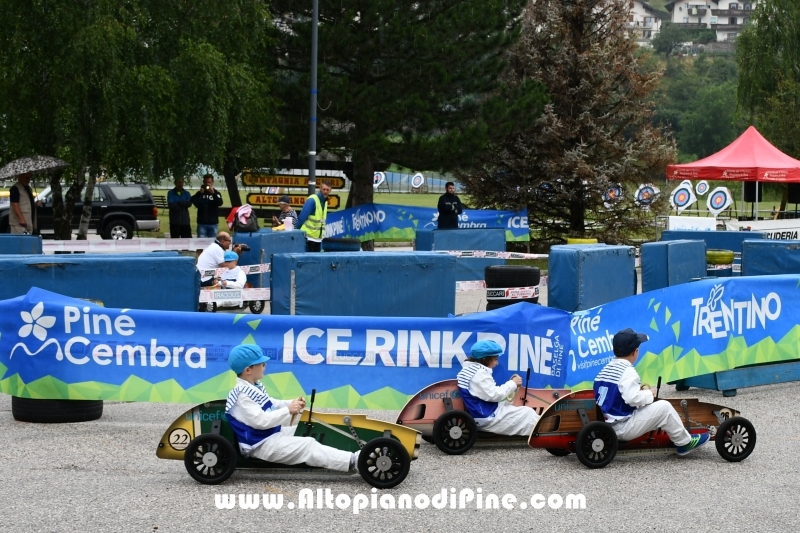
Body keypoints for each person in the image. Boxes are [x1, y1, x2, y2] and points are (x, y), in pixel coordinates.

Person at [225, 344, 358, 472]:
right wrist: (288, 410)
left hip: (269, 435)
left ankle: (345, 455)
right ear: (248, 370)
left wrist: (291, 403)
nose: (265, 366)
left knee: (306, 430)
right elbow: (260, 421)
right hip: (260, 444)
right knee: (307, 445)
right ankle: (352, 461)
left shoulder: (253, 388)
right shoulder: (243, 396)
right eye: (262, 364)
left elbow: (270, 403)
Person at [594, 328, 710, 456]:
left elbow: (617, 395)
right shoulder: (627, 371)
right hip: (622, 427)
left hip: (607, 424)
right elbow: (632, 398)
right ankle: (684, 442)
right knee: (664, 407)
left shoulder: (605, 369)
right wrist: (650, 393)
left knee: (654, 407)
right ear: (635, 352)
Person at [456, 340, 540, 436]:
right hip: (487, 417)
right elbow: (495, 395)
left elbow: (485, 395)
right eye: (495, 359)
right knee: (527, 413)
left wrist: (512, 387)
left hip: (483, 412)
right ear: (485, 359)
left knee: (524, 412)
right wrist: (513, 383)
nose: (497, 363)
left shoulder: (469, 370)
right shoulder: (479, 374)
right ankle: (546, 431)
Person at [297, 181, 331, 252]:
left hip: (318, 238)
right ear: (320, 188)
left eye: (327, 190)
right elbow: (302, 217)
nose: (325, 191)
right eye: (324, 189)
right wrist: (295, 230)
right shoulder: (312, 200)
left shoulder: (325, 202)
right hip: (308, 238)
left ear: (330, 190)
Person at [192, 174, 224, 238]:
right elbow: (193, 201)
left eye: (209, 182)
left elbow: (220, 203)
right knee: (201, 243)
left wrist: (213, 193)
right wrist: (199, 194)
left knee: (212, 243)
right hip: (202, 223)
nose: (207, 184)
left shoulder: (216, 193)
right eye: (206, 182)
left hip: (213, 223)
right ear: (203, 182)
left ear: (212, 183)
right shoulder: (200, 193)